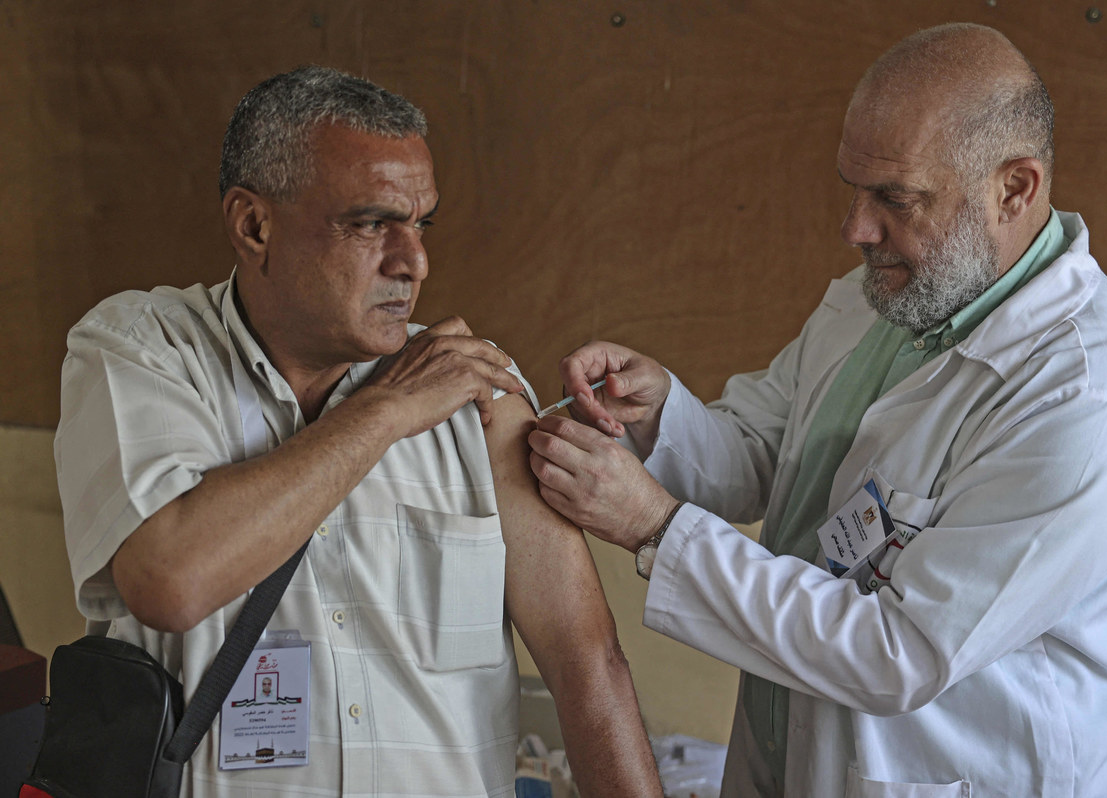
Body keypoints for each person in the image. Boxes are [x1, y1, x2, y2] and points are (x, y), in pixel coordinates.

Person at [528, 23, 1107, 798]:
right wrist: (659, 415)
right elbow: (765, 452)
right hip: (796, 751)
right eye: (853, 189)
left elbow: (901, 650)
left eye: (894, 199)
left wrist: (654, 528)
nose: (856, 230)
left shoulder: (1092, 397)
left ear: (1015, 188)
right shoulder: (888, 295)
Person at [54, 66, 662, 797]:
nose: (415, 262)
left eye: (421, 223)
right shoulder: (143, 350)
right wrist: (384, 411)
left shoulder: (479, 396)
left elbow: (587, 663)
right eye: (371, 222)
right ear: (254, 225)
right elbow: (168, 581)